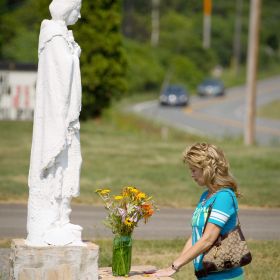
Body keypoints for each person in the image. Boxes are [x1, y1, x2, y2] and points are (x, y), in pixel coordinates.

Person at [26, 0, 83, 246]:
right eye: (77, 10)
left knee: (68, 163)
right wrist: (75, 56)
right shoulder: (55, 36)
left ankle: (61, 218)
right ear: (67, 10)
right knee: (57, 164)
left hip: (64, 116)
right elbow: (62, 73)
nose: (79, 16)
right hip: (57, 116)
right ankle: (49, 223)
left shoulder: (60, 36)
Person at [153, 142, 245, 279]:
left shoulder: (224, 197)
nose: (191, 175)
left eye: (194, 170)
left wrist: (175, 265)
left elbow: (208, 239)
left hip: (224, 276)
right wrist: (175, 267)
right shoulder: (205, 196)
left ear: (207, 169)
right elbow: (196, 236)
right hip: (204, 275)